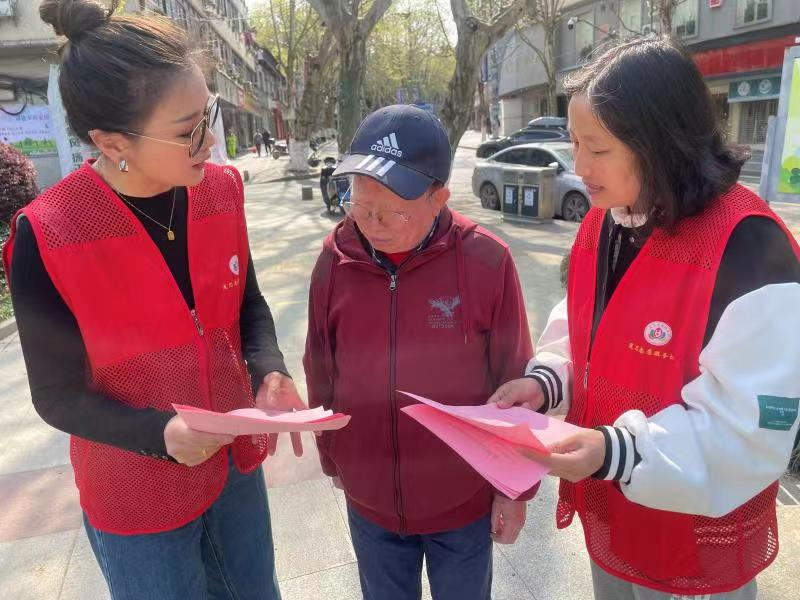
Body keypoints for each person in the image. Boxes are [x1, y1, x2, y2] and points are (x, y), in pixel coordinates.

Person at [4, 2, 306, 598]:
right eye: (187, 130)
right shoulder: (49, 235)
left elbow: (247, 304)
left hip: (232, 467)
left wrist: (269, 370)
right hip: (134, 493)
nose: (210, 140)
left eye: (207, 115)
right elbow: (56, 396)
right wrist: (159, 433)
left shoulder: (220, 192)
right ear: (111, 141)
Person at [489, 37, 800, 600]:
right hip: (614, 514)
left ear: (660, 143)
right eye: (574, 142)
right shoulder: (607, 220)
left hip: (696, 543)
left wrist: (617, 451)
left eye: (597, 148)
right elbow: (586, 328)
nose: (579, 166)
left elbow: (752, 430)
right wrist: (547, 383)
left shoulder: (749, 247)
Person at [303, 104, 535, 600]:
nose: (373, 223)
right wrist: (332, 457)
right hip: (370, 499)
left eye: (392, 211)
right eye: (360, 205)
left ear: (439, 198)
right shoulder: (334, 261)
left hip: (462, 500)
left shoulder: (487, 261)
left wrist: (514, 490)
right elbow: (320, 366)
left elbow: (515, 382)